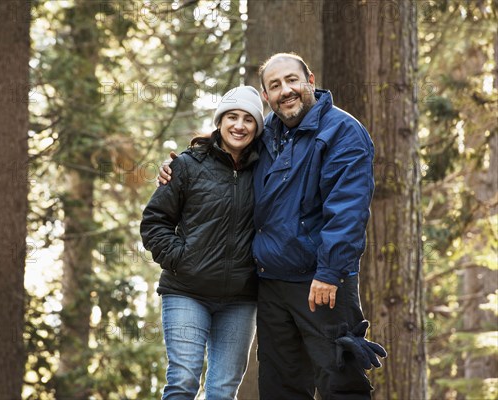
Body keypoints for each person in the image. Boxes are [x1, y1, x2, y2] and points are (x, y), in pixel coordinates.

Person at [159, 53, 386, 399]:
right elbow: (227, 156)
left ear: (310, 80)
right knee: (281, 386)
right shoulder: (268, 135)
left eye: (292, 80)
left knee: (339, 379)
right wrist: (180, 164)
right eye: (275, 85)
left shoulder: (342, 131)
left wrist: (329, 271)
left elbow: (347, 211)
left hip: (320, 283)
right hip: (271, 285)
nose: (285, 90)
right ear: (266, 96)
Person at [141, 85, 265, 399]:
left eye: (248, 119)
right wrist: (181, 259)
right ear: (220, 122)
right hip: (187, 292)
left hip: (240, 297)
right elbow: (155, 221)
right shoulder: (188, 165)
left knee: (223, 391)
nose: (239, 125)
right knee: (183, 382)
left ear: (257, 127)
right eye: (232, 117)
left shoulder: (267, 170)